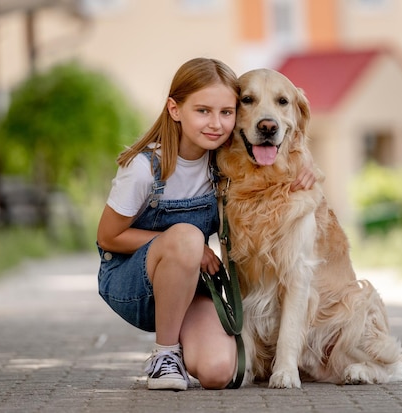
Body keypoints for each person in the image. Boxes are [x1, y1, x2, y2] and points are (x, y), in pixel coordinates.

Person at [96, 57, 315, 391]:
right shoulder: (144, 169)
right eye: (202, 111)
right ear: (175, 109)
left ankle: (188, 344)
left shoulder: (224, 164)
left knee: (218, 372)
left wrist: (305, 166)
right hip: (132, 286)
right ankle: (165, 354)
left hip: (189, 284)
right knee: (185, 237)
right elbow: (108, 237)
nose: (216, 123)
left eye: (226, 112)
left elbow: (280, 152)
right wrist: (188, 247)